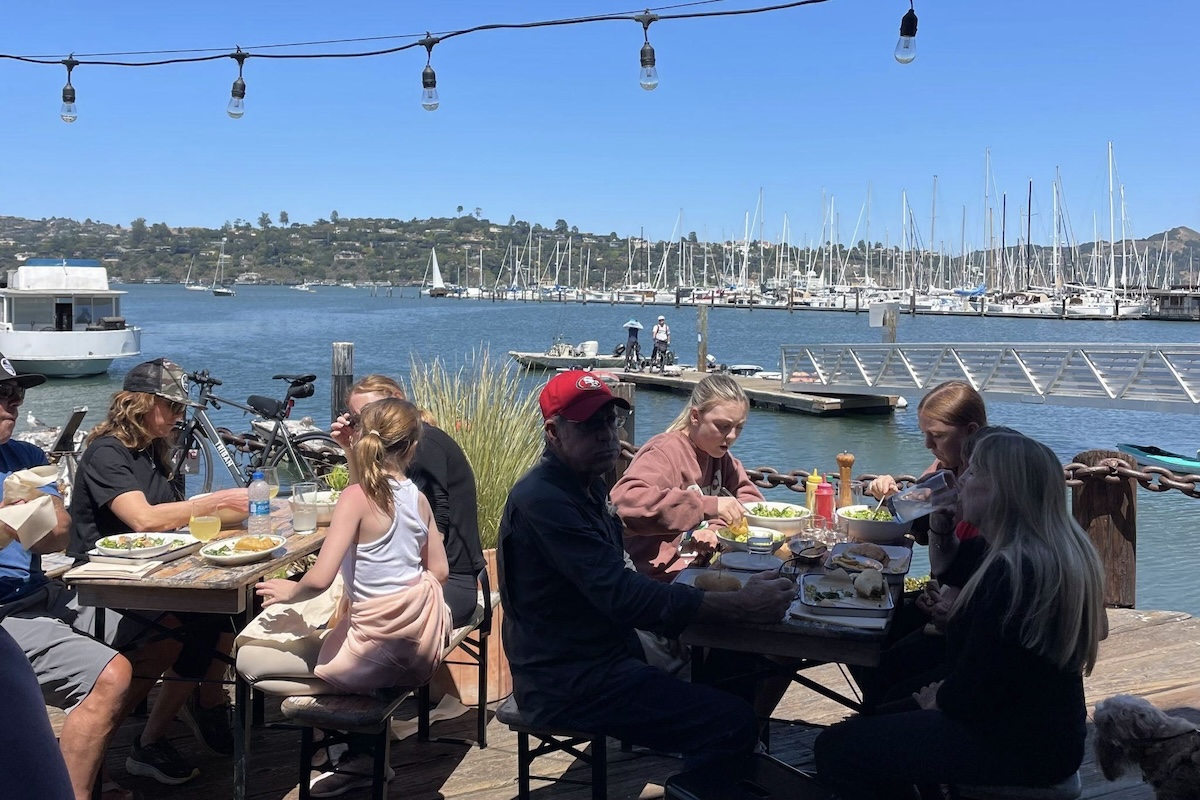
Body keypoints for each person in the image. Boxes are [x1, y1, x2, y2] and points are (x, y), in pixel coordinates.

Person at [499, 371, 796, 769]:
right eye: (590, 425)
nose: (606, 434)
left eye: (610, 421)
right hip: (568, 678)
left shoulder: (582, 486)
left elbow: (621, 582)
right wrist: (737, 606)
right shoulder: (545, 501)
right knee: (732, 721)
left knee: (738, 663)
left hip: (605, 650)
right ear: (553, 433)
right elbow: (621, 593)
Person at [814, 429, 1106, 798]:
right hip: (1040, 729)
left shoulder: (1014, 572)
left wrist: (937, 702)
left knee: (838, 748)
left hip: (1017, 745)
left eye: (975, 472)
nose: (962, 477)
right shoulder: (1031, 548)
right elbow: (952, 574)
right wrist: (941, 522)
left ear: (1003, 489)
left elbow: (978, 686)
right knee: (884, 707)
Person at [244, 397, 451, 793]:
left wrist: (290, 590)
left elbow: (320, 579)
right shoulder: (417, 498)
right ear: (410, 447)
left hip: (371, 651)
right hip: (415, 648)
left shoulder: (354, 499)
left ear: (362, 439)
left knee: (250, 661)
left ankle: (352, 704)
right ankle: (359, 748)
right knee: (319, 632)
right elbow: (439, 571)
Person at [67, 357, 249, 785]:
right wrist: (210, 503)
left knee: (229, 614)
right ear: (142, 404)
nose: (179, 417)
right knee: (188, 626)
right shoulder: (107, 452)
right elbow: (145, 520)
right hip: (106, 584)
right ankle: (144, 741)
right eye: (173, 407)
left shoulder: (151, 452)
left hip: (155, 574)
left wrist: (247, 513)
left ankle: (192, 712)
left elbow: (177, 520)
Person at [0, 354, 136, 800]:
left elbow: (57, 537)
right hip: (6, 614)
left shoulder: (25, 457)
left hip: (42, 593)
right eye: (0, 394)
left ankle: (110, 753)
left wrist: (28, 512)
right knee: (111, 676)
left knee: (162, 630)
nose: (11, 404)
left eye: (15, 393)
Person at [329, 374, 485, 629]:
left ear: (396, 402)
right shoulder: (399, 450)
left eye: (368, 412)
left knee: (343, 613)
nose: (364, 424)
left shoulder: (423, 445)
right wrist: (350, 450)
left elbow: (438, 530)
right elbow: (359, 498)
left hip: (448, 586)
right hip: (420, 580)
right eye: (356, 419)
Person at [612, 374, 763, 582]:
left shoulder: (720, 455)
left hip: (694, 570)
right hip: (650, 578)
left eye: (739, 427)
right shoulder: (664, 453)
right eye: (722, 426)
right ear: (695, 416)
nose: (731, 436)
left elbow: (752, 502)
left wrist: (714, 529)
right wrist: (704, 506)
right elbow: (623, 503)